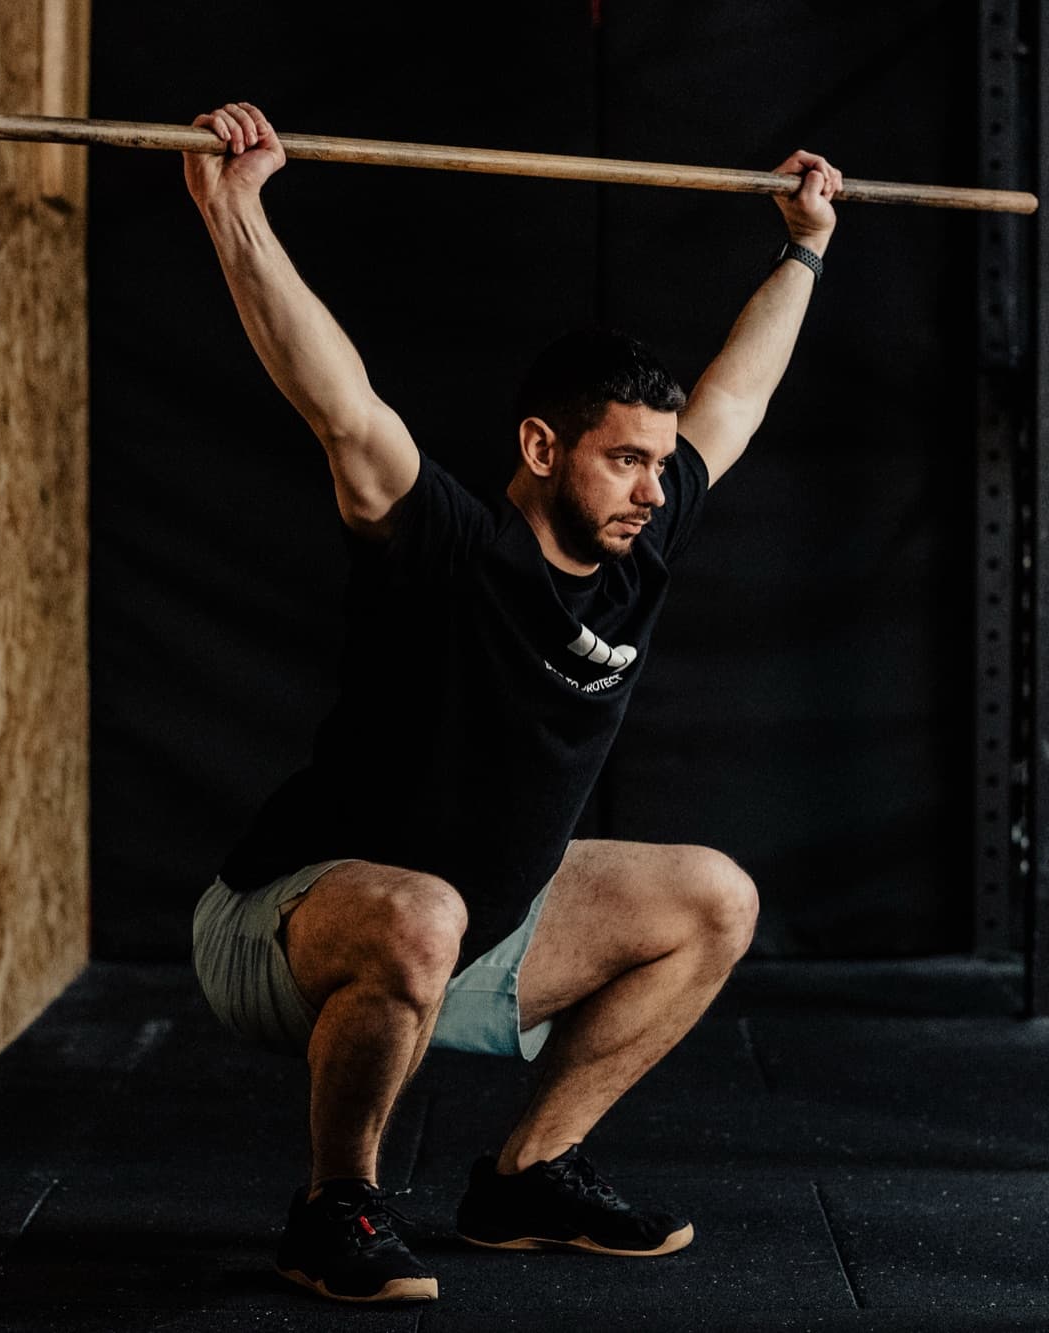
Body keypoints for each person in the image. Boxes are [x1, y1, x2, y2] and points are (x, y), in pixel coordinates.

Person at [183, 100, 840, 1305]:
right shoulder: (446, 544)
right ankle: (336, 1203)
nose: (653, 485)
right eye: (621, 459)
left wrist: (802, 244)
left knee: (712, 898)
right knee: (422, 911)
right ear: (541, 447)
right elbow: (340, 404)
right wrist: (235, 212)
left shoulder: (642, 542)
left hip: (472, 924)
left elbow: (732, 404)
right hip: (279, 922)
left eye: (656, 460)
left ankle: (526, 1175)